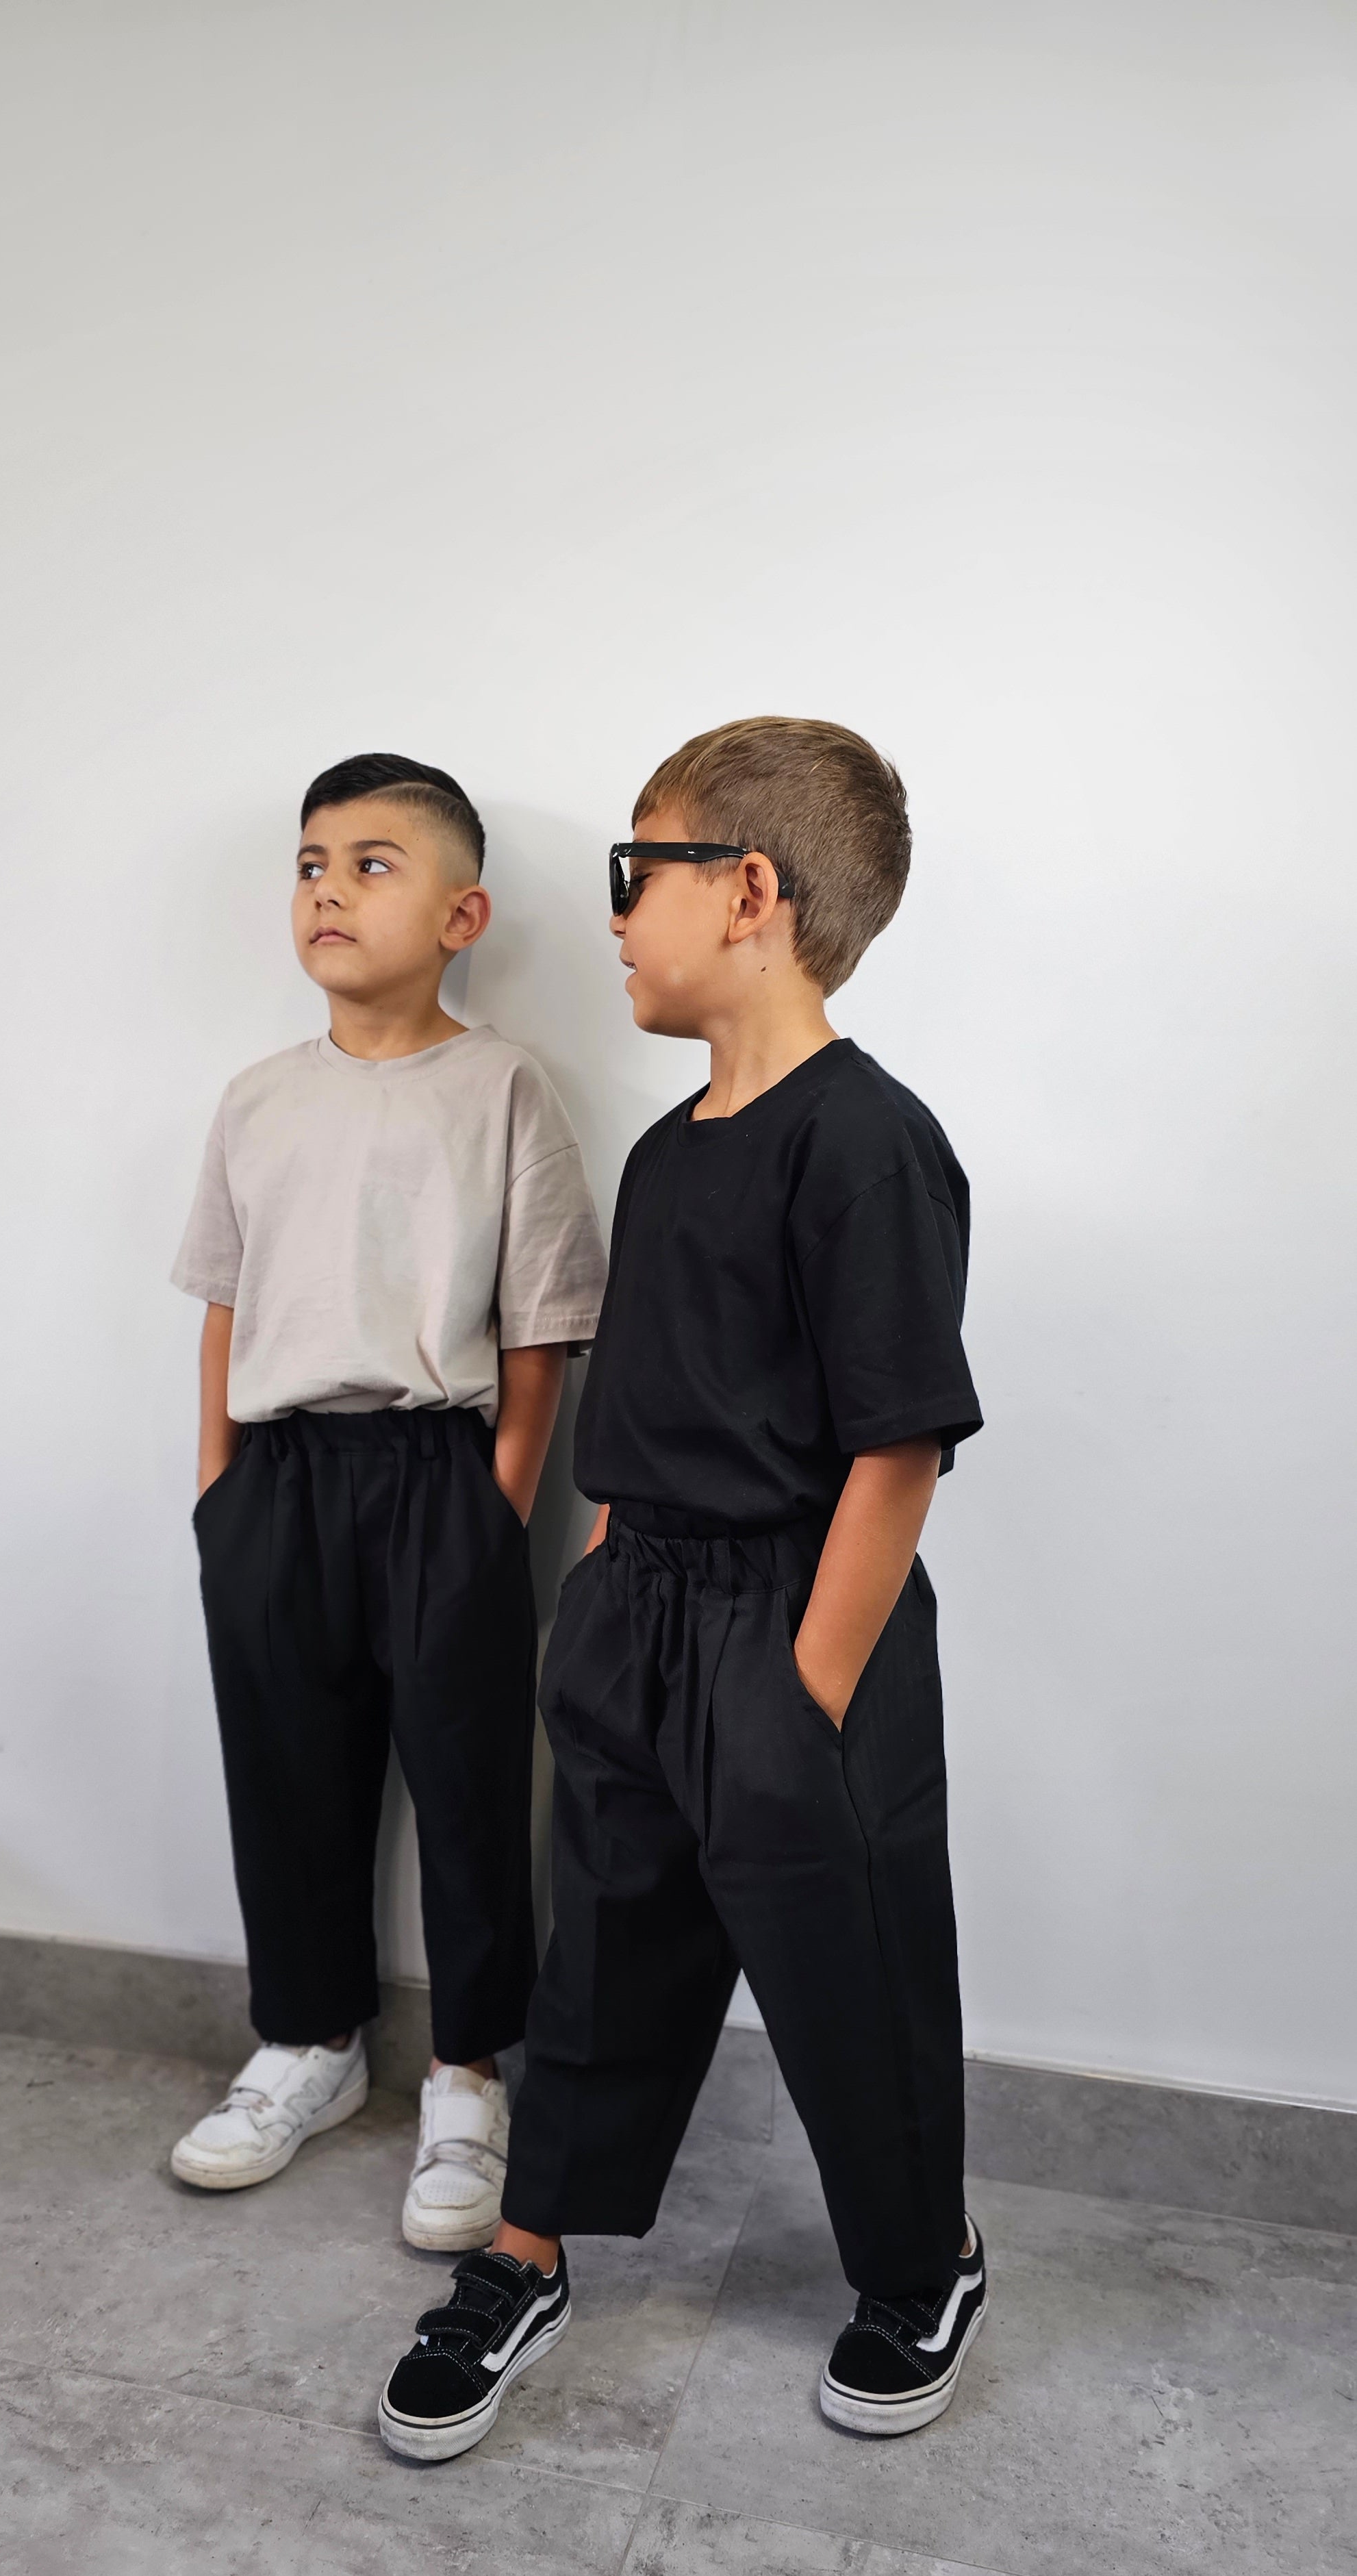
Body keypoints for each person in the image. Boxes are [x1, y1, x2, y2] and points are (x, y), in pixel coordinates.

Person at [377, 715, 986, 2462]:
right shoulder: (667, 1153)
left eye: (638, 872)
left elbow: (896, 1446)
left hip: (795, 1623)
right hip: (636, 1608)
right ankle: (527, 2248)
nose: (617, 913)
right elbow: (646, 1404)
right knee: (607, 1944)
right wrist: (599, 1594)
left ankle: (920, 2261)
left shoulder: (865, 1144)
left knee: (845, 1963)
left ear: (750, 891)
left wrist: (804, 1691)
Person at [169, 753, 607, 2252]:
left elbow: (543, 1323)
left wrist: (497, 1505)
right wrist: (220, 1488)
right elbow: (225, 1302)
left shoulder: (503, 1089)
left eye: (372, 864)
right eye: (310, 864)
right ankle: (308, 2039)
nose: (329, 891)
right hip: (278, 1479)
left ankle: (469, 2073)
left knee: (473, 1785)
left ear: (460, 914)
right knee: (286, 1769)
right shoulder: (257, 1100)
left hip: (438, 1474)